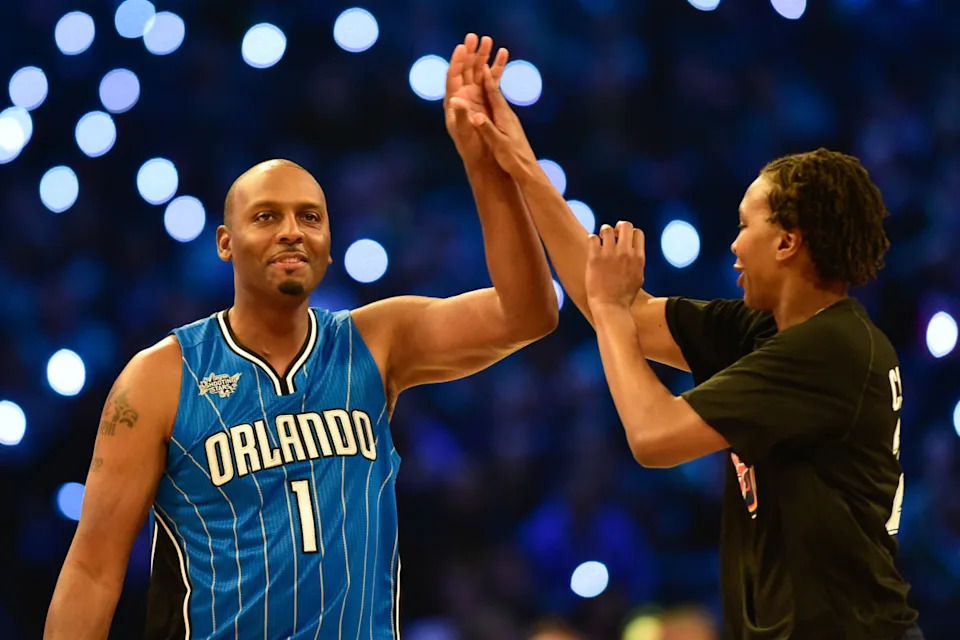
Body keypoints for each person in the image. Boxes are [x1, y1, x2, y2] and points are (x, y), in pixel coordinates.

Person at [43, 34, 558, 640]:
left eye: (310, 217)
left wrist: (485, 168)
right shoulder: (161, 375)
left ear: (329, 243)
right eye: (266, 217)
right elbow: (92, 569)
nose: (292, 231)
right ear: (225, 242)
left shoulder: (376, 339)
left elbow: (528, 312)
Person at [450, 40, 923, 639]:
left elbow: (654, 436)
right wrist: (520, 162)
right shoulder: (770, 330)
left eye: (746, 225)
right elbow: (617, 308)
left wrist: (611, 309)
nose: (733, 245)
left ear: (788, 242)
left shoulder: (831, 348)